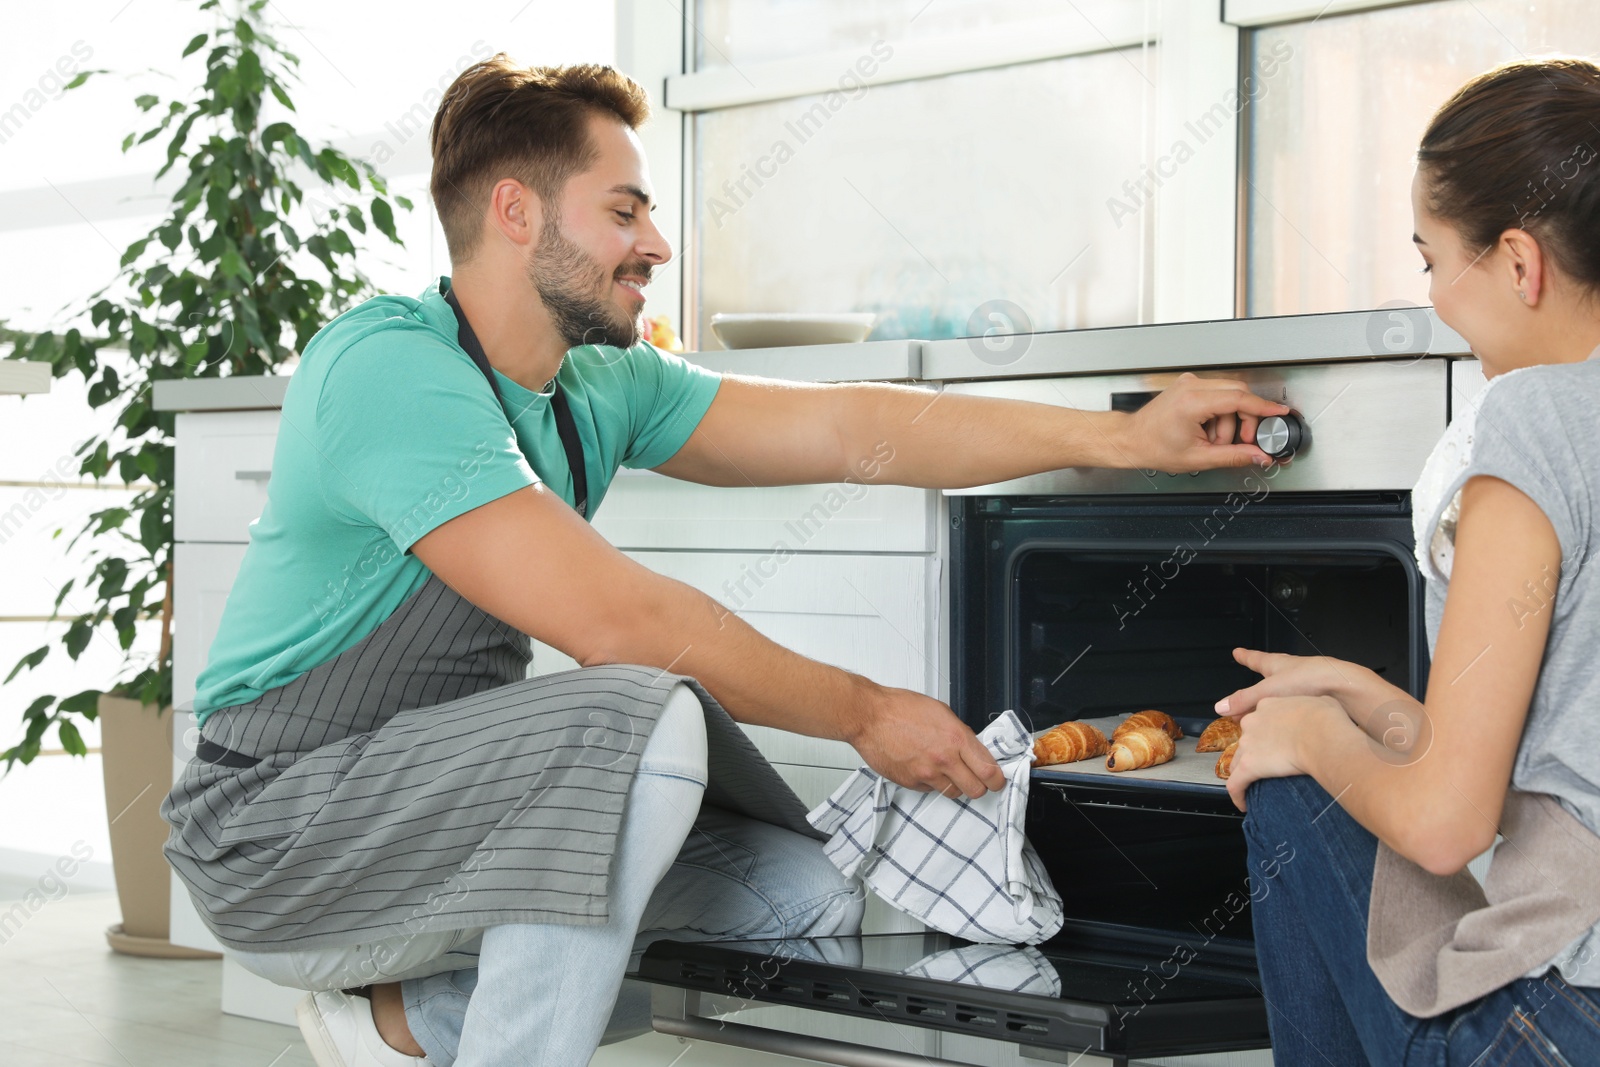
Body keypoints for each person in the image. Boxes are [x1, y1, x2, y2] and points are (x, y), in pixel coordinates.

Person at [160, 56, 1288, 1067]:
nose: (653, 244)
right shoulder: (387, 368)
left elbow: (854, 428)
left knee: (809, 900)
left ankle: (401, 1023)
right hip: (279, 834)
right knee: (636, 713)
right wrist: (861, 710)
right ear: (514, 210)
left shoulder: (597, 385)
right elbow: (619, 624)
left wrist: (1115, 437)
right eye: (624, 211)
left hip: (449, 813)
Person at [1216, 58, 1600, 1066]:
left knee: (1292, 789)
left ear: (1519, 263)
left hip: (1569, 1027)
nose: (1432, 297)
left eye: (1431, 260)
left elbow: (1443, 824)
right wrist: (1375, 705)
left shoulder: (1540, 417)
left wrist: (1308, 733)